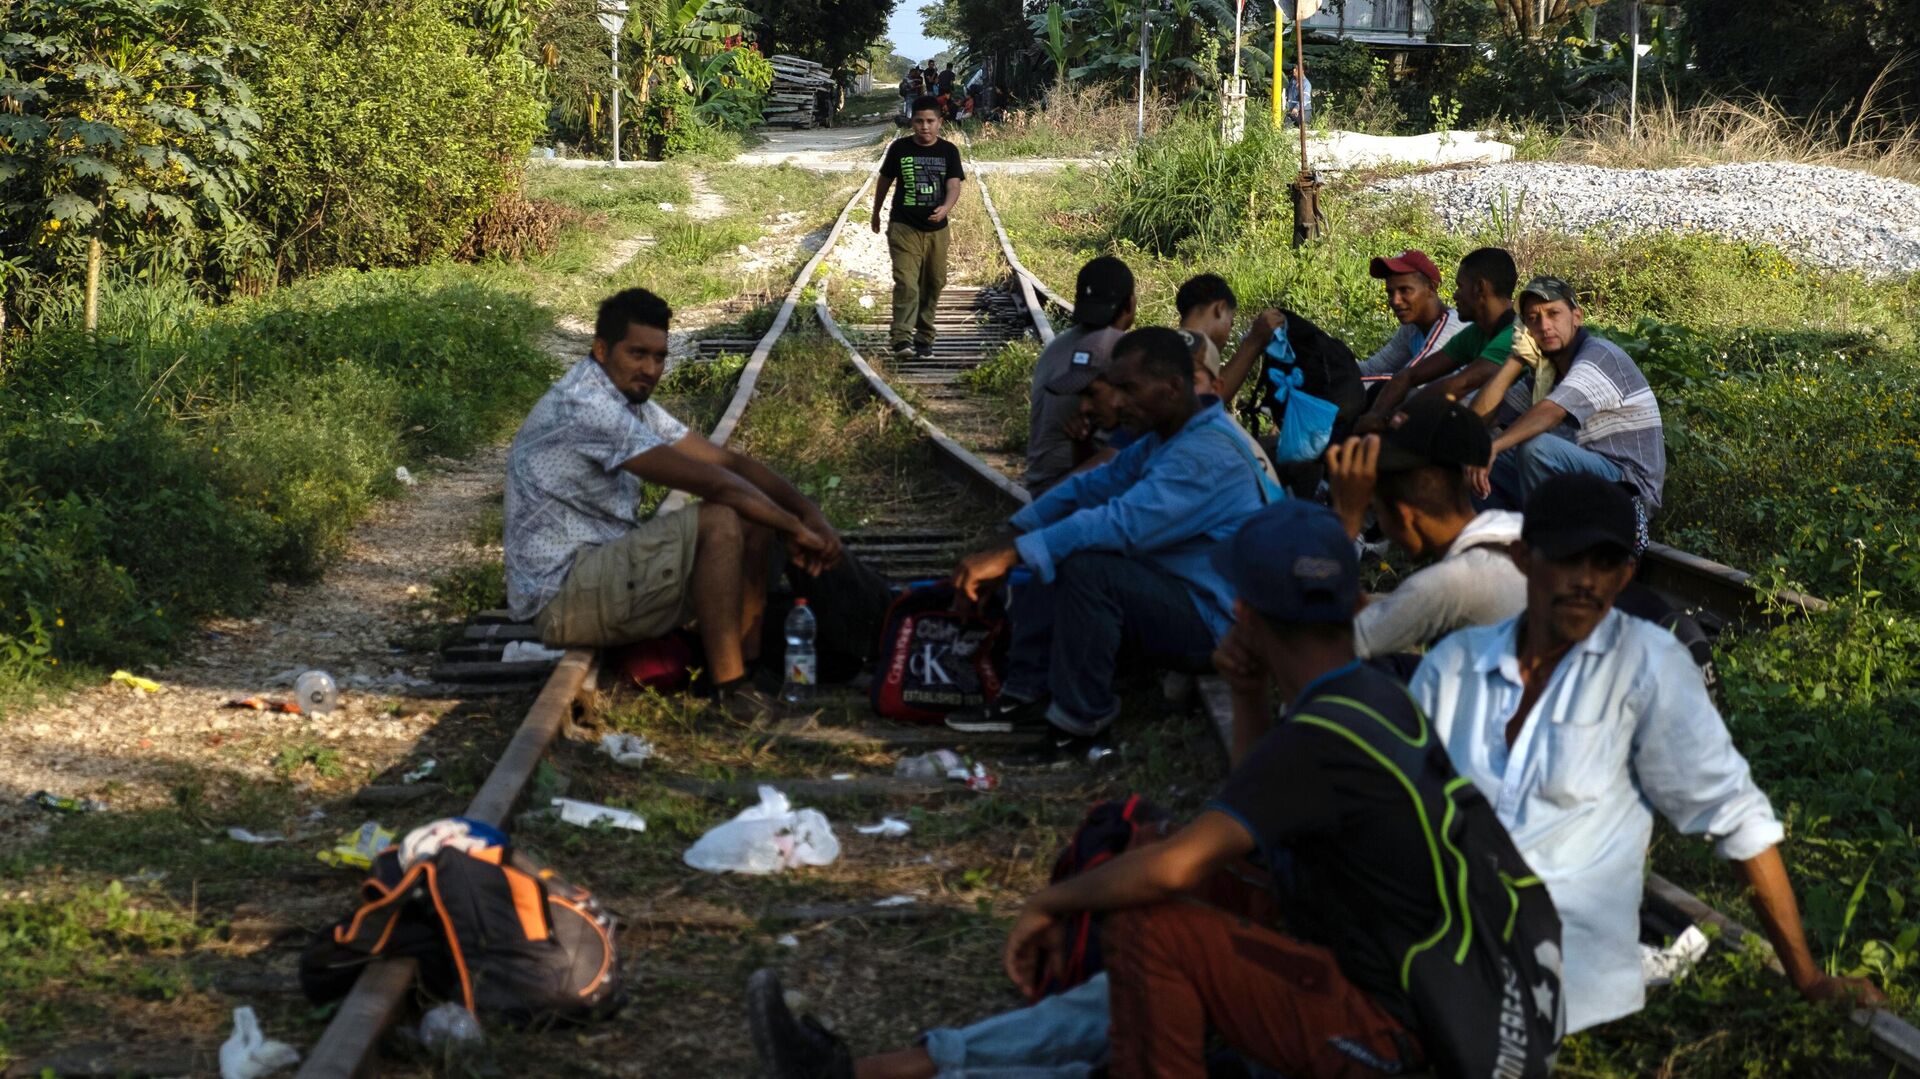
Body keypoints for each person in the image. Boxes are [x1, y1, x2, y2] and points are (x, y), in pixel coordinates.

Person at [746, 502, 1564, 1079]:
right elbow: (1261, 818)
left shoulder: (1324, 732)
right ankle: (884, 1069)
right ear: (1355, 601)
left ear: (1243, 609)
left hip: (1401, 1033)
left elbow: (1178, 867)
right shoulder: (1371, 690)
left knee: (1153, 927)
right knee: (1158, 935)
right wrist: (1246, 696)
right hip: (1451, 1003)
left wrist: (1052, 906)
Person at [1412, 473, 1887, 1034]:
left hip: (1567, 984)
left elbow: (1737, 817)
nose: (1586, 581)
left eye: (1606, 563)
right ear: (1522, 559)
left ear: (1627, 574)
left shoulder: (1648, 668)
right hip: (1446, 954)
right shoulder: (1453, 667)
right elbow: (1402, 804)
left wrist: (1806, 978)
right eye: (1567, 559)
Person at [503, 288, 842, 714]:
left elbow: (728, 463)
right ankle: (730, 690)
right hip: (562, 598)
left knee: (751, 519)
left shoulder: (625, 397)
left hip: (596, 573)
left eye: (660, 357)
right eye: (637, 354)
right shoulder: (586, 406)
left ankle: (752, 670)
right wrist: (796, 530)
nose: (650, 369)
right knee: (720, 518)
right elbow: (718, 486)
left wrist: (809, 513)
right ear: (601, 349)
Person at [947, 327, 1284, 742]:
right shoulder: (1174, 435)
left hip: (1223, 624)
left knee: (1087, 565)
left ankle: (1078, 721)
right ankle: (1028, 689)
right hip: (1191, 595)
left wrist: (1013, 553)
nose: (1118, 401)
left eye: (1129, 389)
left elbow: (1119, 523)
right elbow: (1089, 487)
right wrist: (1012, 535)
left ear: (1173, 388)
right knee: (1057, 542)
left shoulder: (1204, 454)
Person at [1325, 392, 1526, 662]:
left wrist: (1347, 523)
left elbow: (1326, 650)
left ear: (1405, 516)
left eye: (1378, 513)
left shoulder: (1448, 584)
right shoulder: (1517, 529)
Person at [1467, 276, 1667, 512]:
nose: (1544, 326)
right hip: (1584, 480)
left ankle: (1545, 542)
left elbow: (1551, 412)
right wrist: (1516, 358)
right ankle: (1502, 541)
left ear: (1577, 317)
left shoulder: (1600, 355)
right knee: (1475, 454)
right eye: (1533, 319)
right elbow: (1477, 421)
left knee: (1535, 448)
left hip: (1630, 489)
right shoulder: (1546, 373)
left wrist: (1495, 446)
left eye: (1553, 314)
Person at [1359, 247, 1521, 431]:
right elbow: (1408, 375)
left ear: (1479, 288)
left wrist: (1398, 415)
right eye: (1390, 292)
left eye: (1460, 286)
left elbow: (1459, 384)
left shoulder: (1514, 334)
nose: (1455, 295)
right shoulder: (1477, 332)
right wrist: (1376, 415)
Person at [1024, 256, 1134, 494]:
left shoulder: (1057, 346)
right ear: (1130, 305)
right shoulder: (1118, 348)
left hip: (1039, 483)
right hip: (1070, 488)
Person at [873, 97, 965, 364]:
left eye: (930, 121)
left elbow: (954, 185)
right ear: (912, 122)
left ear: (940, 123)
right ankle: (901, 338)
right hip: (904, 226)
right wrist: (876, 212)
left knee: (934, 283)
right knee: (906, 282)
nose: (924, 127)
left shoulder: (949, 151)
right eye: (919, 121)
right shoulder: (899, 148)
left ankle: (924, 337)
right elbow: (884, 180)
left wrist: (946, 208)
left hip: (938, 230)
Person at [1357, 249, 1466, 384]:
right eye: (1390, 292)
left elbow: (1410, 381)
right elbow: (1372, 369)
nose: (1395, 301)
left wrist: (1341, 381)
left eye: (1405, 290)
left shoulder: (1452, 327)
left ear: (1431, 288)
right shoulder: (1413, 327)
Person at [1173, 272, 1235, 374]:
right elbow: (1218, 390)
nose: (1228, 335)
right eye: (1231, 323)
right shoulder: (1202, 348)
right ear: (1221, 308)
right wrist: (1253, 342)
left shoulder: (1165, 342)